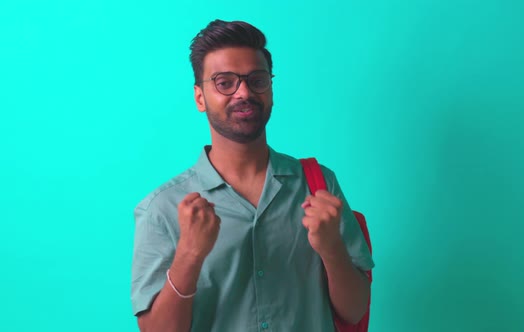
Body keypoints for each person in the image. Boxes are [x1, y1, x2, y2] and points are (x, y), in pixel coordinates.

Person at [131, 19, 374, 332]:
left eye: (257, 80)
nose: (243, 92)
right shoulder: (163, 209)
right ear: (200, 97)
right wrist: (189, 256)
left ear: (270, 89)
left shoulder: (319, 186)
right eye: (224, 82)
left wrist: (331, 249)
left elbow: (354, 311)